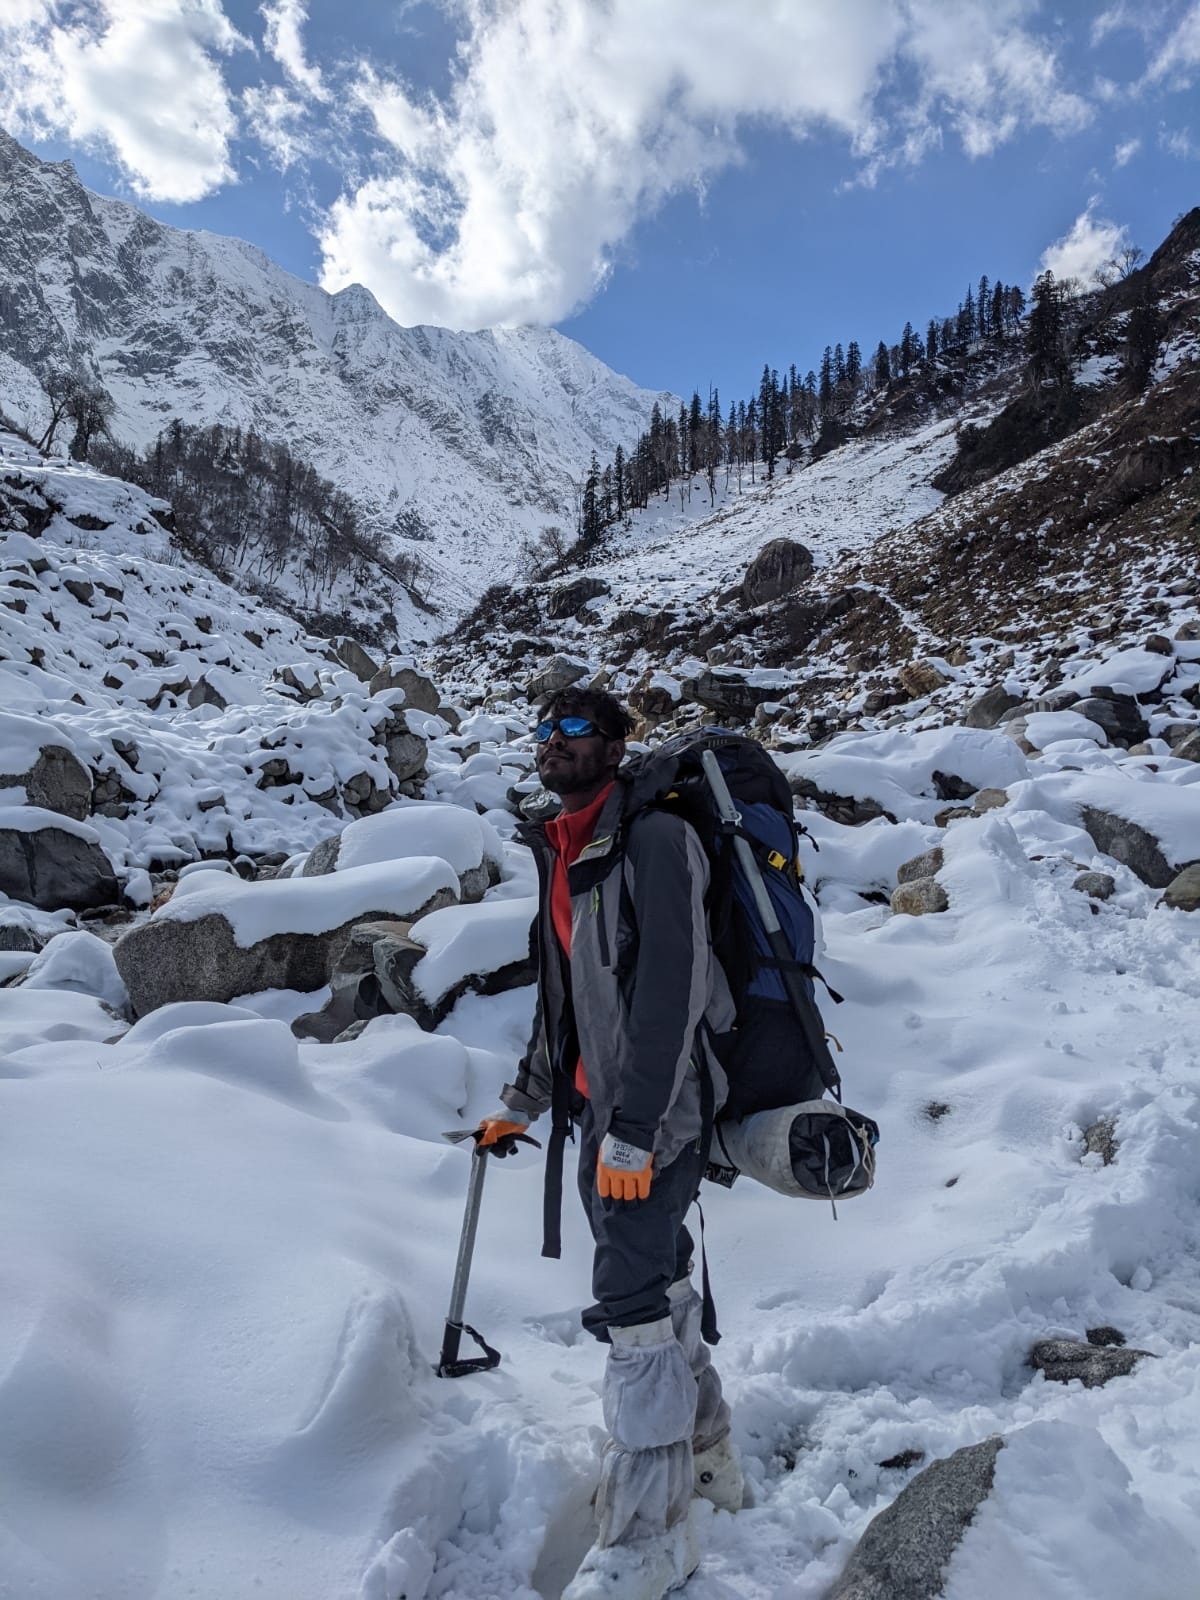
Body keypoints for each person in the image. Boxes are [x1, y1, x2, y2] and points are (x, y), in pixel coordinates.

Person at [476, 687, 743, 1600]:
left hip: (653, 1120)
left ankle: (647, 1537)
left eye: (575, 728)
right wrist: (524, 1099)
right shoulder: (569, 848)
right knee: (662, 1285)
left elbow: (674, 987)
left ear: (617, 744)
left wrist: (634, 1132)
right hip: (603, 1118)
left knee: (630, 1313)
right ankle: (710, 1462)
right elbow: (566, 1002)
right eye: (544, 730)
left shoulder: (657, 841)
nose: (553, 742)